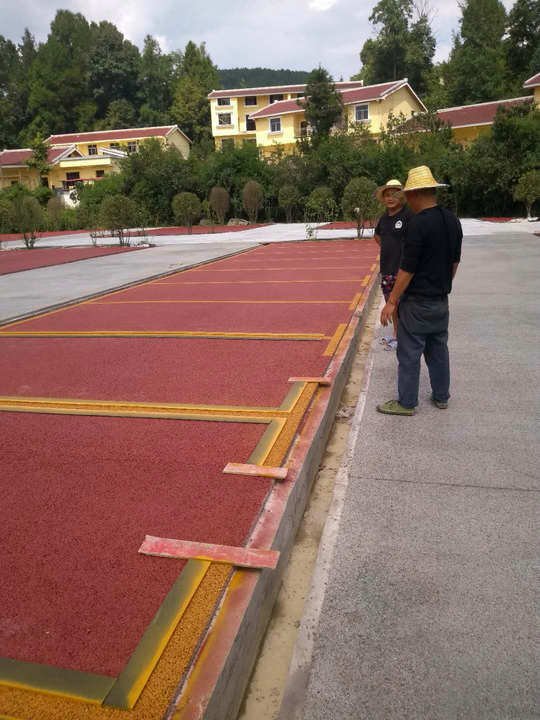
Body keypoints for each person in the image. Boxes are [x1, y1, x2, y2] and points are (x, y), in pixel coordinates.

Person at [377, 165, 463, 416]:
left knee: (409, 352)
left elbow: (407, 269)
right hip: (441, 300)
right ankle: (441, 397)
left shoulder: (417, 224)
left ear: (414, 194)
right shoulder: (452, 220)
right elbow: (454, 261)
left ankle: (406, 403)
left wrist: (392, 301)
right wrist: (443, 285)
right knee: (438, 350)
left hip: (416, 302)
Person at [373, 179, 414, 350]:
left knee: (404, 305)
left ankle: (406, 337)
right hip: (387, 269)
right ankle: (396, 335)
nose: (390, 198)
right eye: (387, 195)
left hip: (403, 269)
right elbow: (377, 235)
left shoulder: (408, 215)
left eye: (394, 195)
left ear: (402, 197)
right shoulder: (384, 218)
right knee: (392, 304)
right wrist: (388, 247)